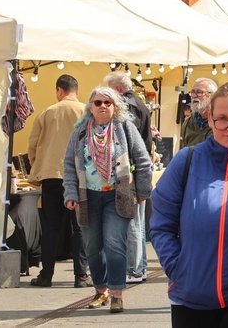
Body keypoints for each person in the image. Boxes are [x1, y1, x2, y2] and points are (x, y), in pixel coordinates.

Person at [150, 82, 228, 328]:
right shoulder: (187, 161)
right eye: (222, 119)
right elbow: (161, 223)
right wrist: (177, 268)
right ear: (210, 119)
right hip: (191, 297)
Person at [63, 86, 153, 313]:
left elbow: (143, 161)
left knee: (114, 244)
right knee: (92, 247)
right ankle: (100, 290)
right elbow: (69, 166)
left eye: (107, 103)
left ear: (115, 106)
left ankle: (116, 294)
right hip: (87, 197)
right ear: (90, 107)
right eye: (98, 103)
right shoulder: (80, 132)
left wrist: (143, 190)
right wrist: (71, 193)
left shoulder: (125, 128)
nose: (103, 106)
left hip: (117, 195)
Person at [27, 74, 90, 288]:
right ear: (76, 90)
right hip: (80, 177)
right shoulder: (86, 112)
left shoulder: (47, 112)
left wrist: (39, 169)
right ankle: (81, 276)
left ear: (59, 91)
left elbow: (33, 146)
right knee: (79, 228)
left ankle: (46, 276)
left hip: (51, 176)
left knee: (51, 228)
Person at [104, 71, 152, 283]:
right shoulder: (141, 104)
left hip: (128, 171)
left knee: (132, 222)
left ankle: (134, 268)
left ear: (118, 90)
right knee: (137, 222)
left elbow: (127, 142)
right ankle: (139, 267)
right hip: (136, 169)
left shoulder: (127, 107)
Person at [180, 78, 217, 148]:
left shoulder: (221, 122)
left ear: (212, 96)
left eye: (199, 92)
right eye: (192, 92)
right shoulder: (187, 124)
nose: (194, 96)